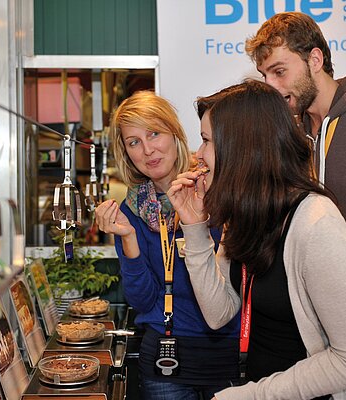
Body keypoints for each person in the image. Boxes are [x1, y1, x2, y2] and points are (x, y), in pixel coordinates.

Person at [167, 80, 346, 399]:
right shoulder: (246, 215)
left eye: (206, 141)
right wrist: (194, 227)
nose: (198, 154)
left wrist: (252, 395)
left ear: (241, 147)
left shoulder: (316, 224)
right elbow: (218, 312)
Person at [245, 12, 346, 399]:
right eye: (265, 76)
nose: (273, 87)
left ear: (315, 59)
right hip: (326, 334)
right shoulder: (298, 136)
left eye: (279, 71)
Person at [95, 90, 240, 400]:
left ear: (174, 131)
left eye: (154, 134)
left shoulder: (213, 189)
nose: (148, 150)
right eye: (134, 142)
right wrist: (129, 240)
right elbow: (144, 303)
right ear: (126, 152)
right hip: (165, 361)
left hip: (226, 355)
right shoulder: (131, 211)